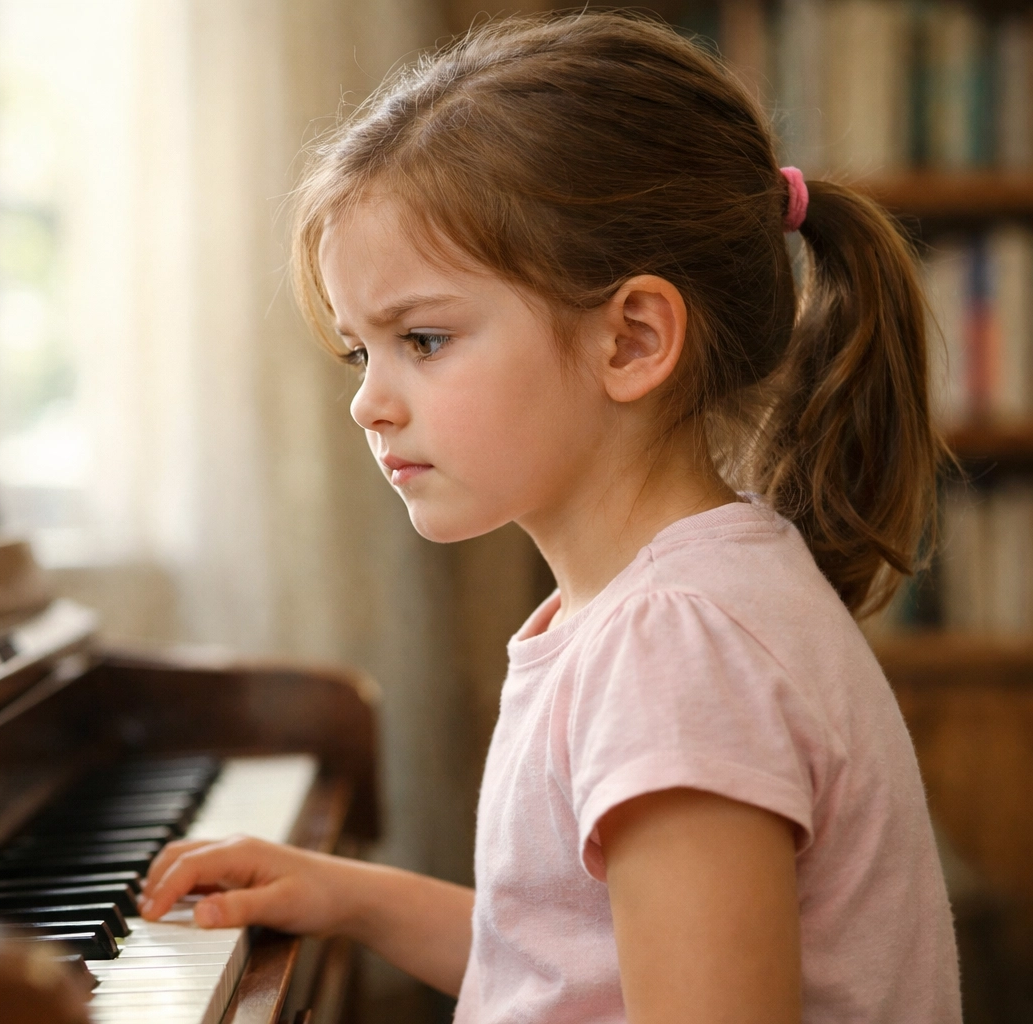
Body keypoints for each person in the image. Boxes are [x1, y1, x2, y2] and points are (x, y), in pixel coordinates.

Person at [138, 12, 961, 1023]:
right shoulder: (666, 605)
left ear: (633, 340)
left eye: (425, 339)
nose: (369, 401)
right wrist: (350, 894)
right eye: (362, 351)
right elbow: (570, 961)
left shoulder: (674, 647)